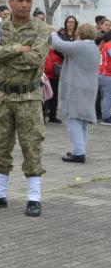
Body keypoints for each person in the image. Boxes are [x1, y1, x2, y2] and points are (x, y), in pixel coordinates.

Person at [0, 0, 52, 217]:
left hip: (28, 96)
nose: (24, 4)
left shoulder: (42, 28)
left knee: (31, 145)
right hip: (3, 96)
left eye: (28, 0)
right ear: (10, 2)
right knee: (0, 144)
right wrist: (19, 49)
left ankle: (34, 197)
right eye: (19, 0)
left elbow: (36, 58)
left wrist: (6, 55)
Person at [51, 23, 99, 163]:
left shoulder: (80, 46)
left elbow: (59, 45)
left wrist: (53, 32)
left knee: (73, 119)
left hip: (77, 87)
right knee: (83, 121)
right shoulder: (94, 47)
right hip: (90, 87)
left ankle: (78, 152)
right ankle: (80, 148)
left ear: (81, 33)